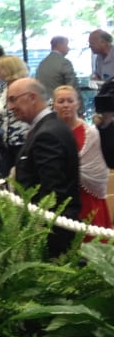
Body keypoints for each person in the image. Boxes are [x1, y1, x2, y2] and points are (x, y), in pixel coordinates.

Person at [7, 78, 80, 257]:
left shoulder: (47, 134)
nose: (10, 107)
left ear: (32, 97)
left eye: (13, 99)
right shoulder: (48, 128)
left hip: (50, 233)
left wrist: (39, 234)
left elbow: (52, 194)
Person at [52, 85, 112, 237]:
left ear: (77, 103)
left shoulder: (91, 133)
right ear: (54, 105)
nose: (65, 105)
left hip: (88, 195)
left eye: (70, 101)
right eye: (61, 101)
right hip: (61, 194)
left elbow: (98, 168)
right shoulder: (50, 132)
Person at [0, 55, 31, 176]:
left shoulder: (29, 86)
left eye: (1, 69)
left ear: (11, 69)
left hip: (24, 141)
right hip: (4, 144)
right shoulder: (1, 89)